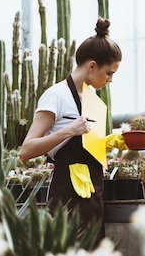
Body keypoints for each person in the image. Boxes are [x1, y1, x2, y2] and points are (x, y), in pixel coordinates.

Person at [19, 17, 124, 242]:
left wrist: (111, 141)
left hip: (93, 198)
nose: (111, 80)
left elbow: (89, 147)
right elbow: (25, 151)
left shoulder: (93, 98)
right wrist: (68, 130)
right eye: (109, 73)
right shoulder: (56, 96)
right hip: (66, 200)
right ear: (92, 66)